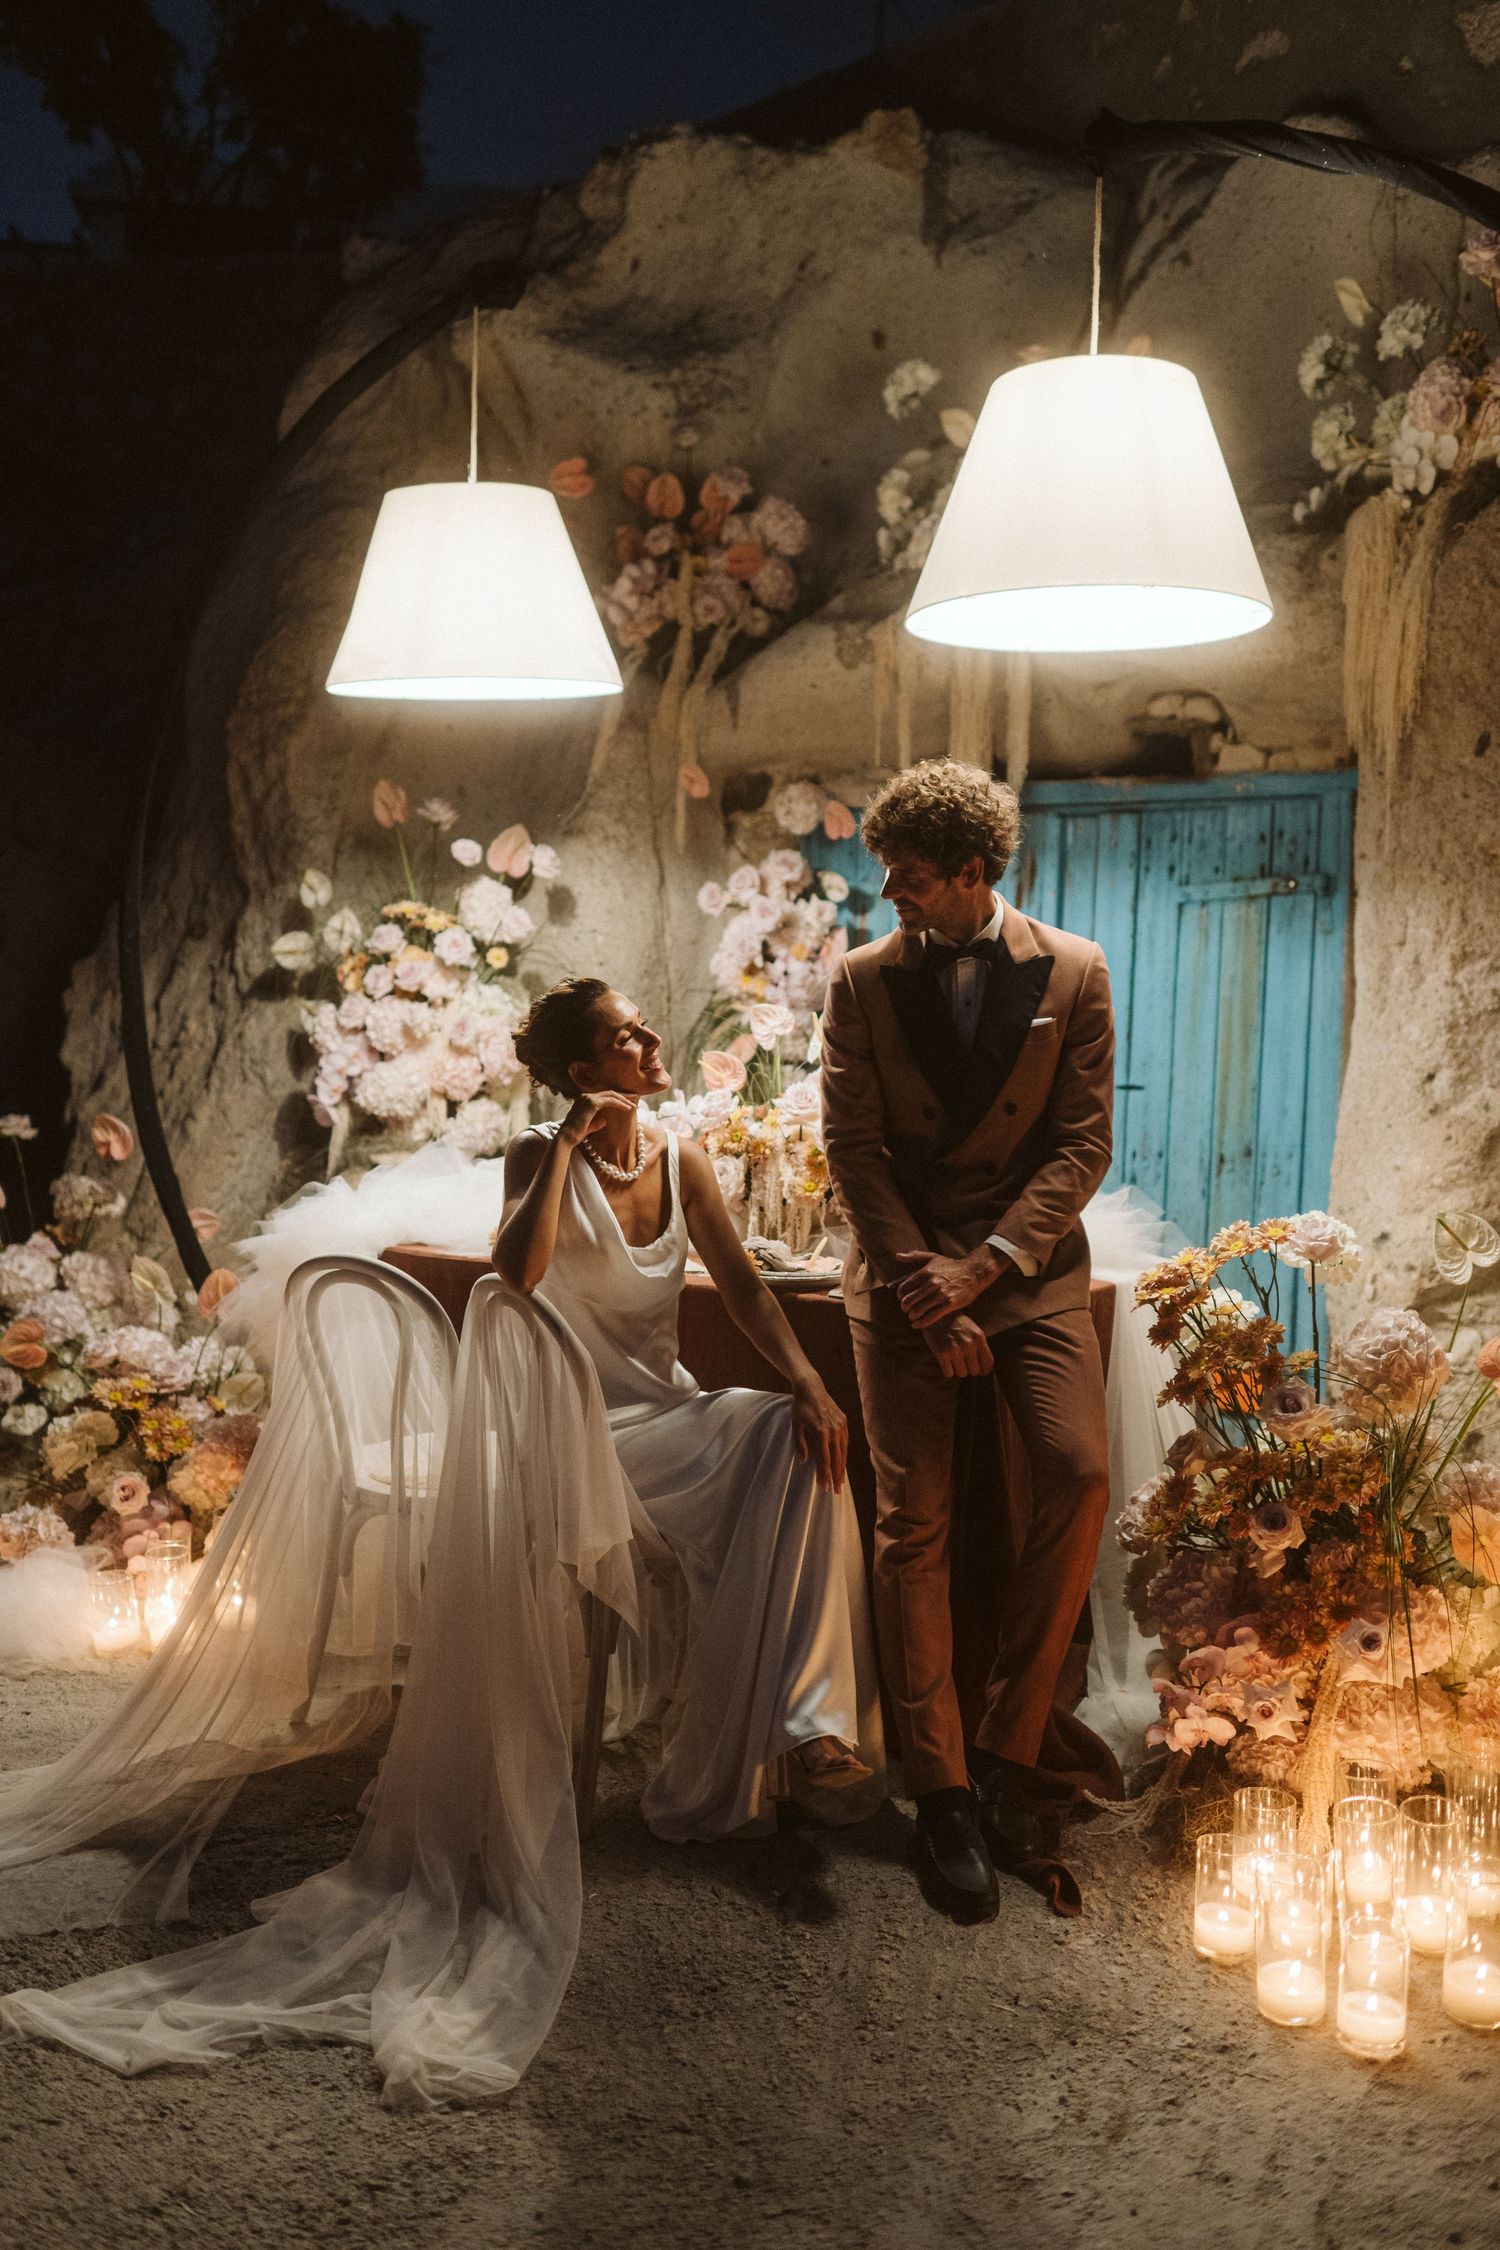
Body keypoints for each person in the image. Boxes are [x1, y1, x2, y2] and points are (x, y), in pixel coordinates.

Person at [820, 759, 1115, 1923]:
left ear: (972, 874)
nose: (887, 897)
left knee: (1081, 1473)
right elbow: (854, 1150)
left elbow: (1079, 1148)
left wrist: (986, 1269)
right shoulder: (858, 982)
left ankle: (1007, 1744)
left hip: (1026, 1274)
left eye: (906, 881)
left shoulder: (1077, 971)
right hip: (900, 1275)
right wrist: (920, 1285)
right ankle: (939, 1786)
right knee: (914, 1522)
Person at [497, 977, 884, 1838]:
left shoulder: (683, 1159)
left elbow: (744, 1289)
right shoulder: (535, 1154)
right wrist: (566, 1143)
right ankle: (802, 1728)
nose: (650, 1039)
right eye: (627, 1035)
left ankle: (813, 1728)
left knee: (802, 1435)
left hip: (667, 1415)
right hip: (574, 1432)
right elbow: (514, 1276)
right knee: (784, 1464)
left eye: (641, 1025)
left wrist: (811, 1383)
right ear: (583, 1070)